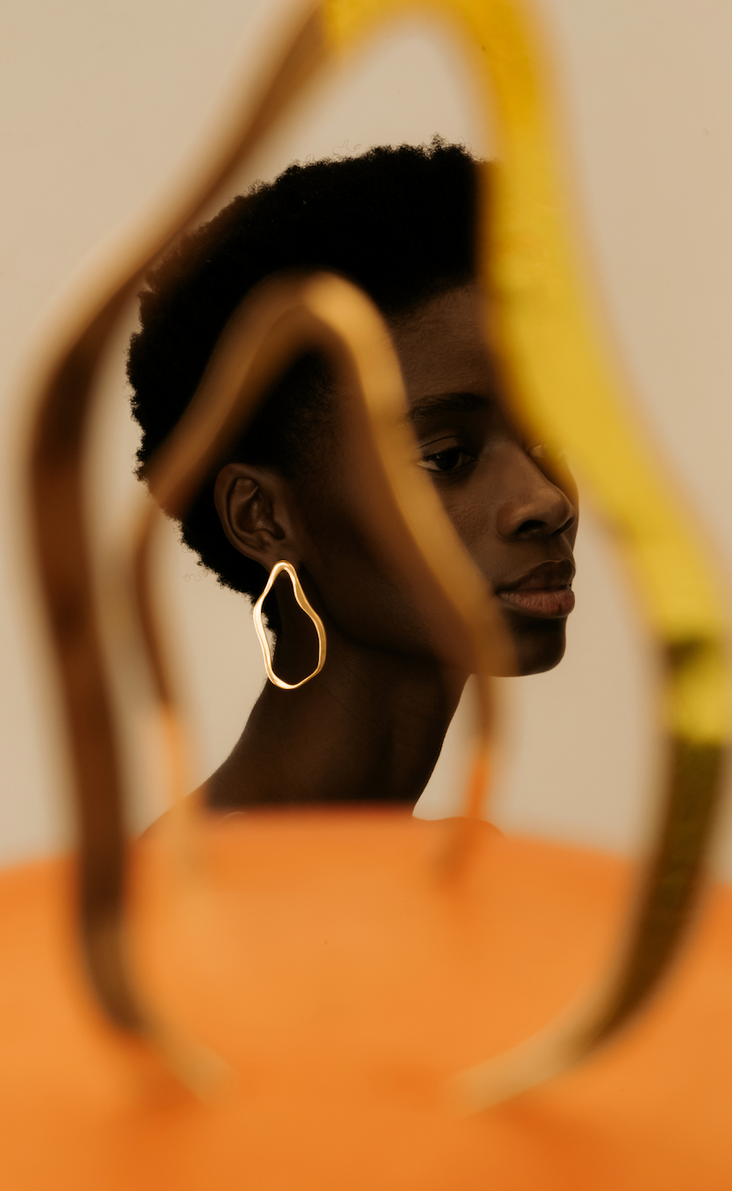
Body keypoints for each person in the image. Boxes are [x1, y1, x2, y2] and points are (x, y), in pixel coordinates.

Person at [127, 139, 577, 812]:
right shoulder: (208, 884)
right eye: (446, 456)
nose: (546, 500)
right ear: (262, 518)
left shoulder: (468, 870)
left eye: (551, 437)